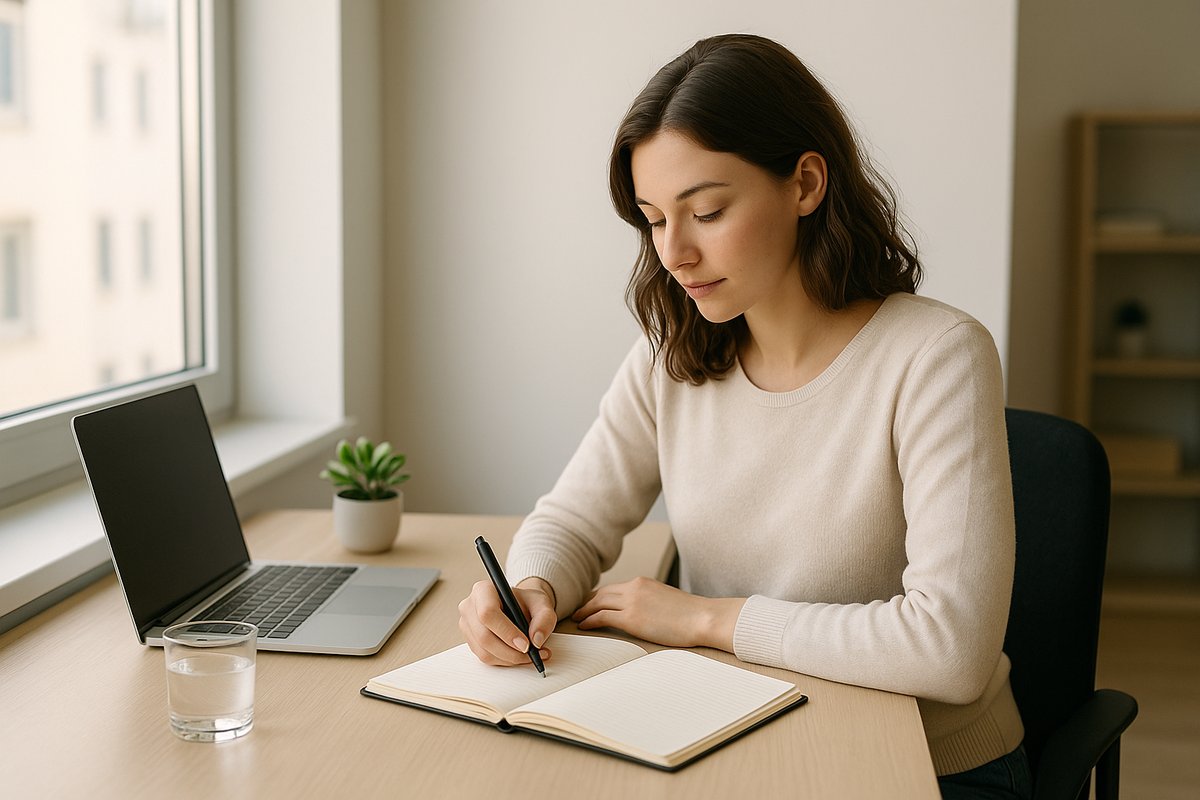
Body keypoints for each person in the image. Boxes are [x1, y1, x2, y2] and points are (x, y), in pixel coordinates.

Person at [457, 33, 1031, 799]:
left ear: (805, 183)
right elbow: (574, 518)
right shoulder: (675, 355)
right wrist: (531, 587)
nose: (676, 254)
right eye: (655, 220)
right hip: (723, 735)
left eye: (707, 211)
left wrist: (705, 621)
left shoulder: (937, 355)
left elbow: (951, 649)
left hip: (920, 765)